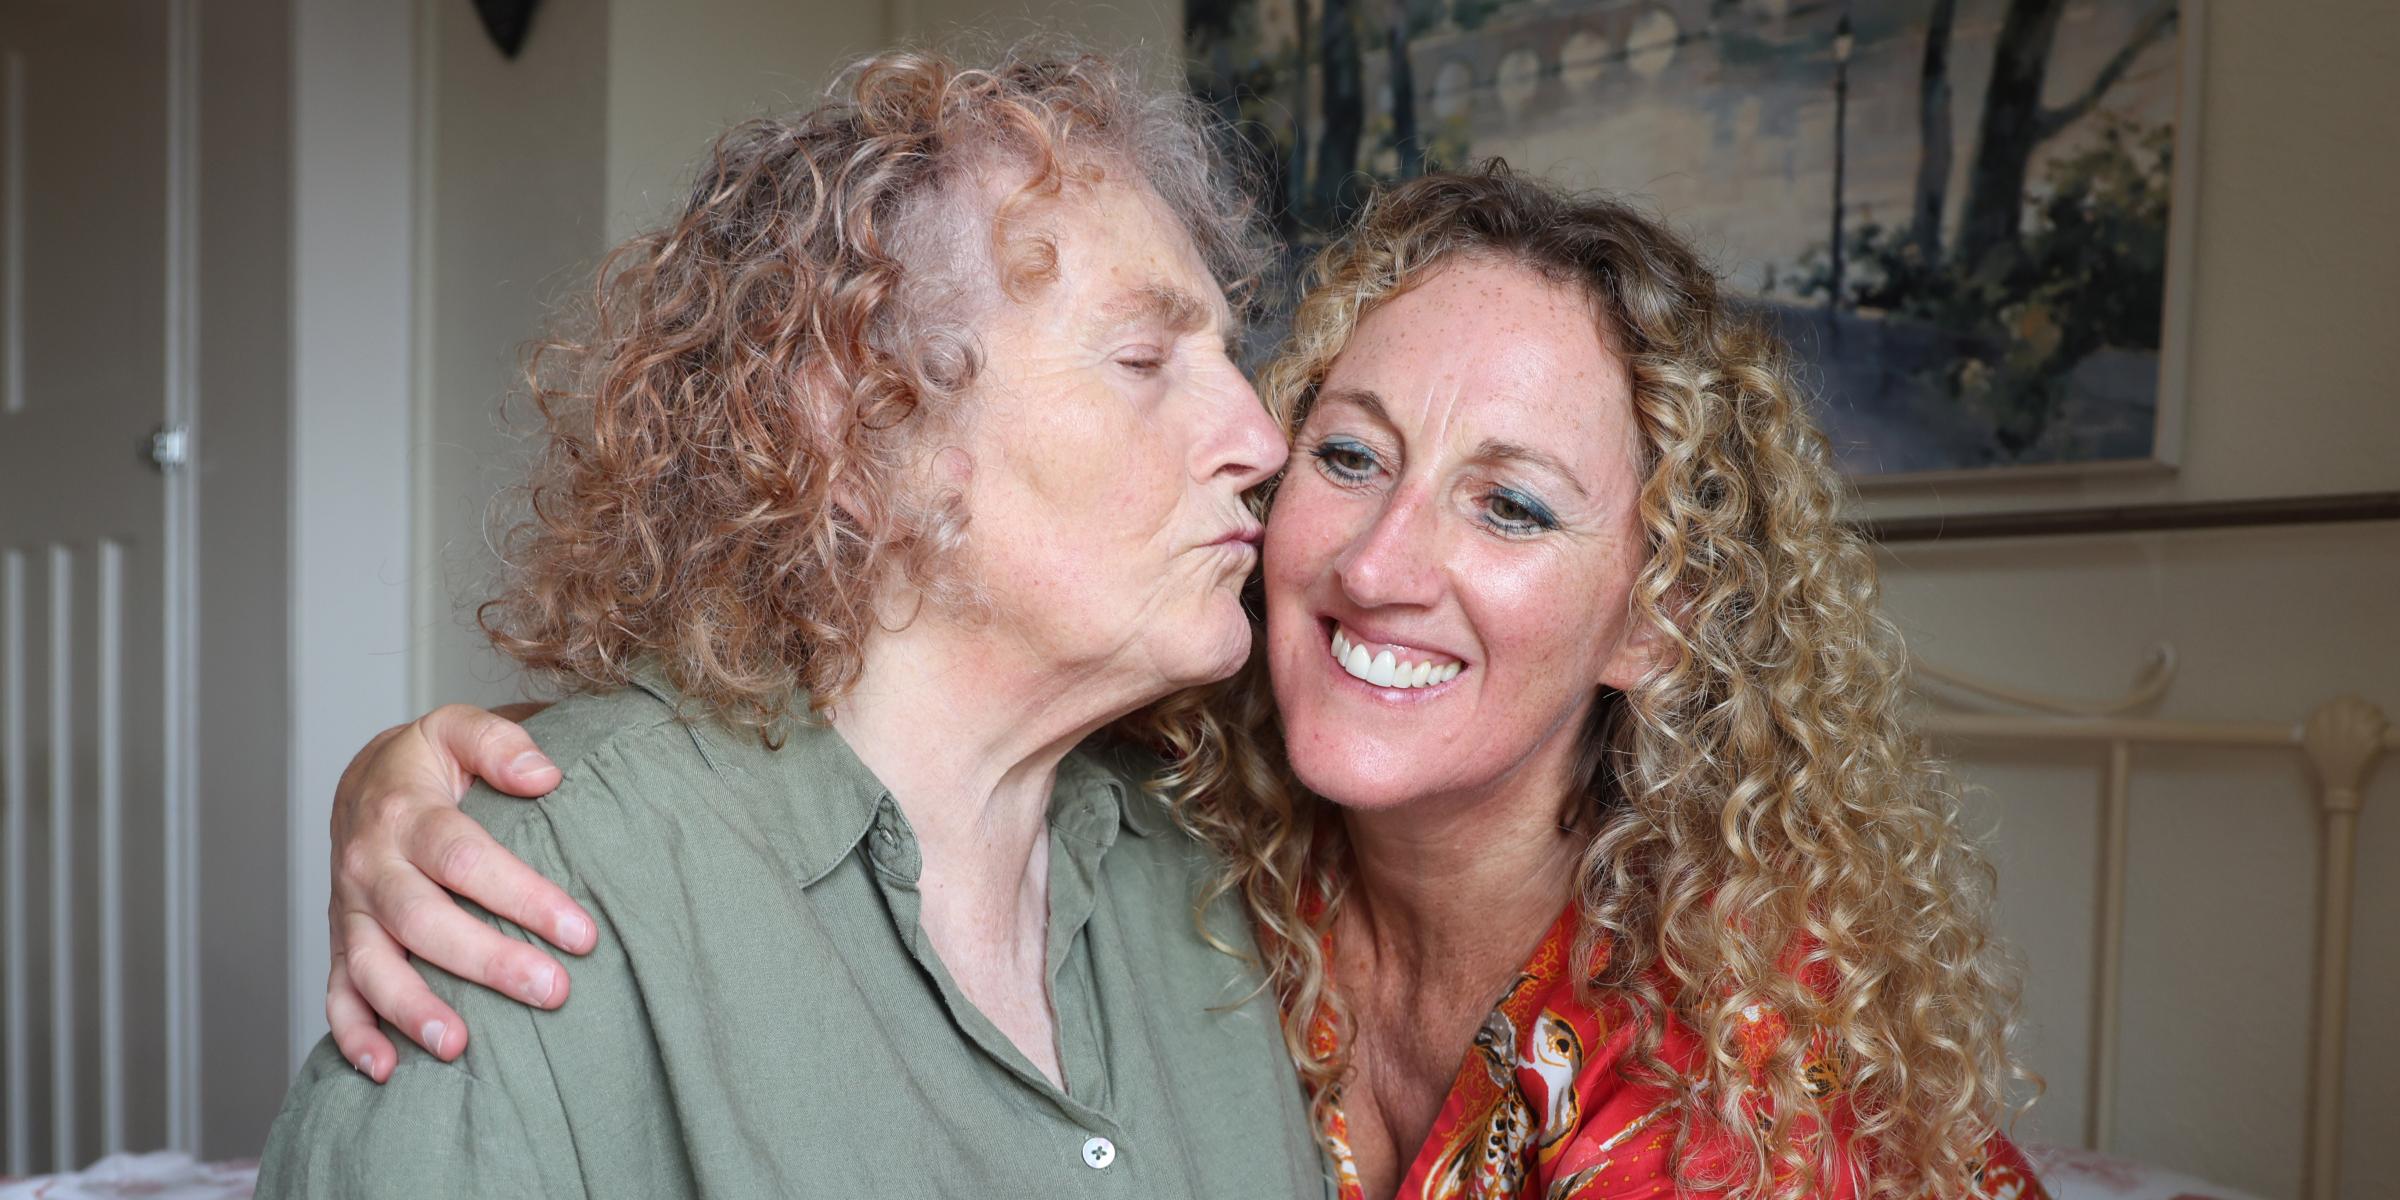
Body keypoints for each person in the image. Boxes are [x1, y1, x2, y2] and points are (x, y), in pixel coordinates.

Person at [310, 102, 2050, 1200]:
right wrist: (452, 786)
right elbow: (768, 774)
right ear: (870, 430)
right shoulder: (1203, 827)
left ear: (1662, 618)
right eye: (1346, 450)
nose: (1278, 464)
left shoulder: (1749, 1087)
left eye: (1515, 507)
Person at [256, 47, 1325, 1198]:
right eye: (1143, 358)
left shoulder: (1202, 881)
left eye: (1227, 358)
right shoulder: (533, 898)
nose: (1260, 440)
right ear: (856, 428)